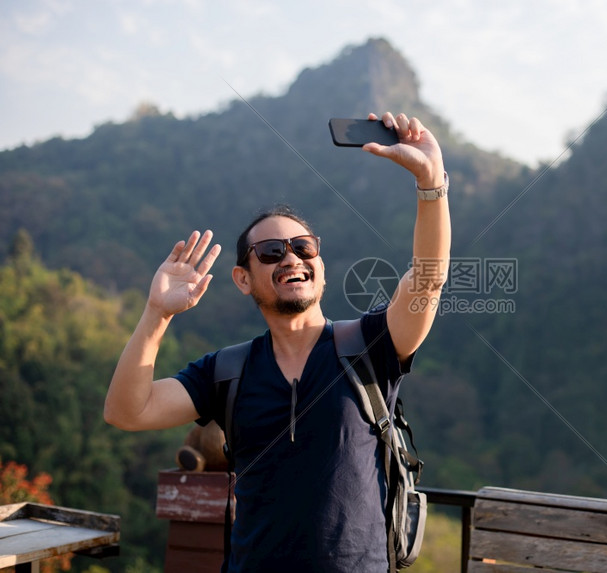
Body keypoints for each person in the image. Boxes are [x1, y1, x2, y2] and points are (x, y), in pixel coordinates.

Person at [104, 111, 451, 572]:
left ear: (320, 265)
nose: (291, 258)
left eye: (304, 247)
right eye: (271, 252)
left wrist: (431, 184)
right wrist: (156, 313)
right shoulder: (226, 372)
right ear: (243, 279)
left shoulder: (368, 346)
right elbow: (127, 411)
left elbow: (427, 282)